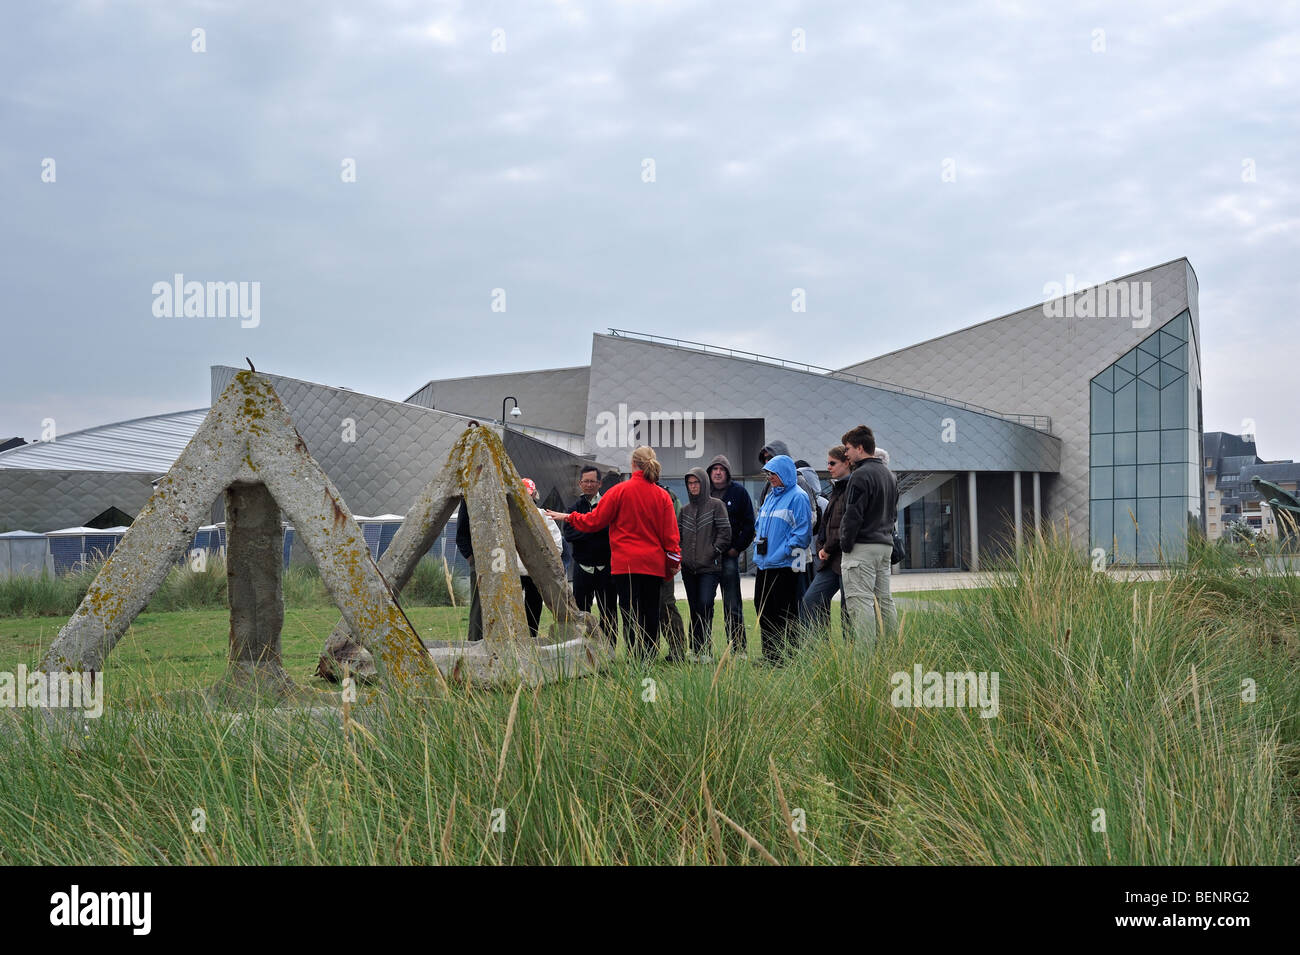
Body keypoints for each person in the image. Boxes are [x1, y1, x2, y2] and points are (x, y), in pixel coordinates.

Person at [548, 446, 681, 661]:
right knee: (650, 612)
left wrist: (567, 516)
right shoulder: (662, 495)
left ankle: (632, 654)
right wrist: (674, 560)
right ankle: (647, 654)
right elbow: (671, 535)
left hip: (625, 564)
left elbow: (593, 521)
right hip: (653, 565)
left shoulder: (619, 491)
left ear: (633, 464)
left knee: (629, 612)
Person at [839, 425, 899, 651]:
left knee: (860, 601)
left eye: (848, 448)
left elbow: (852, 514)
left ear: (860, 448)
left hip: (862, 547)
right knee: (884, 601)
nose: (846, 454)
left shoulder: (860, 475)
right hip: (884, 545)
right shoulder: (889, 475)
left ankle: (863, 660)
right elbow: (893, 514)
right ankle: (892, 651)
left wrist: (846, 545)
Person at [752, 453, 811, 665]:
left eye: (773, 473)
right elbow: (760, 525)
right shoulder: (770, 497)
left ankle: (790, 655)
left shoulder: (798, 496)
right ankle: (771, 655)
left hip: (785, 565)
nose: (770, 477)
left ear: (784, 473)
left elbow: (802, 532)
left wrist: (784, 550)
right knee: (763, 607)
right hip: (764, 563)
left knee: (785, 611)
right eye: (768, 473)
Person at [678, 466, 731, 662]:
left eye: (696, 482)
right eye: (690, 483)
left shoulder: (716, 505)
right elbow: (678, 537)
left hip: (710, 568)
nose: (693, 486)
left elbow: (725, 535)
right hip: (688, 569)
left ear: (704, 483)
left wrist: (712, 552)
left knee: (706, 604)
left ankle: (706, 650)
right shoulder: (684, 510)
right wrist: (682, 557)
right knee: (694, 608)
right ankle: (695, 650)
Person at [706, 454, 755, 658]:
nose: (718, 472)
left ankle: (738, 649)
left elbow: (749, 525)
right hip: (706, 559)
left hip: (729, 558)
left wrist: (737, 548)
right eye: (714, 469)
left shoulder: (739, 492)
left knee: (733, 605)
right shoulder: (703, 492)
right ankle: (703, 650)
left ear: (727, 473)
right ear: (709, 473)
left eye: (722, 469)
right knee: (704, 604)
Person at [563, 465, 616, 645]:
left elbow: (610, 532)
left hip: (605, 568)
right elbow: (569, 535)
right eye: (585, 481)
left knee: (608, 612)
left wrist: (584, 527)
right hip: (582, 568)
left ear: (599, 483)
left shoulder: (607, 505)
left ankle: (609, 650)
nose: (589, 485)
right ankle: (583, 650)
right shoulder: (574, 508)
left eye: (592, 481)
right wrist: (594, 528)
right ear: (580, 483)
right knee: (582, 613)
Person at [801, 445, 851, 634]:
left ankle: (852, 658)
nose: (828, 467)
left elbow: (844, 525)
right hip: (830, 560)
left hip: (845, 558)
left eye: (833, 463)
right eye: (827, 463)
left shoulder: (851, 488)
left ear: (847, 463)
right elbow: (827, 525)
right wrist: (823, 546)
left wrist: (827, 548)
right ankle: (819, 653)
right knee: (811, 601)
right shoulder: (837, 489)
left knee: (849, 613)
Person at [518, 478, 564, 640]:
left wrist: (544, 563)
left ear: (534, 495)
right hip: (514, 572)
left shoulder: (543, 516)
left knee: (533, 611)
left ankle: (531, 640)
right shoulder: (506, 517)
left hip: (535, 573)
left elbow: (557, 545)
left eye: (528, 495)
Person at [656, 478, 688, 661]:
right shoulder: (634, 493)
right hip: (642, 562)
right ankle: (646, 651)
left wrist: (673, 558)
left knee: (666, 605)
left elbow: (677, 531)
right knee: (642, 607)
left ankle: (677, 649)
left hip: (662, 561)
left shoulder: (669, 496)